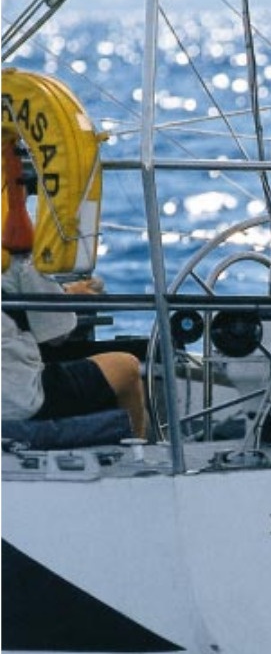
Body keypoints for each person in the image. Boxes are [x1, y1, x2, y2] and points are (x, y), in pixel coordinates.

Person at [2, 136, 146, 438]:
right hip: (16, 398)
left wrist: (64, 294)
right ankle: (139, 451)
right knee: (128, 367)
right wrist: (68, 298)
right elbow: (56, 333)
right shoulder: (15, 249)